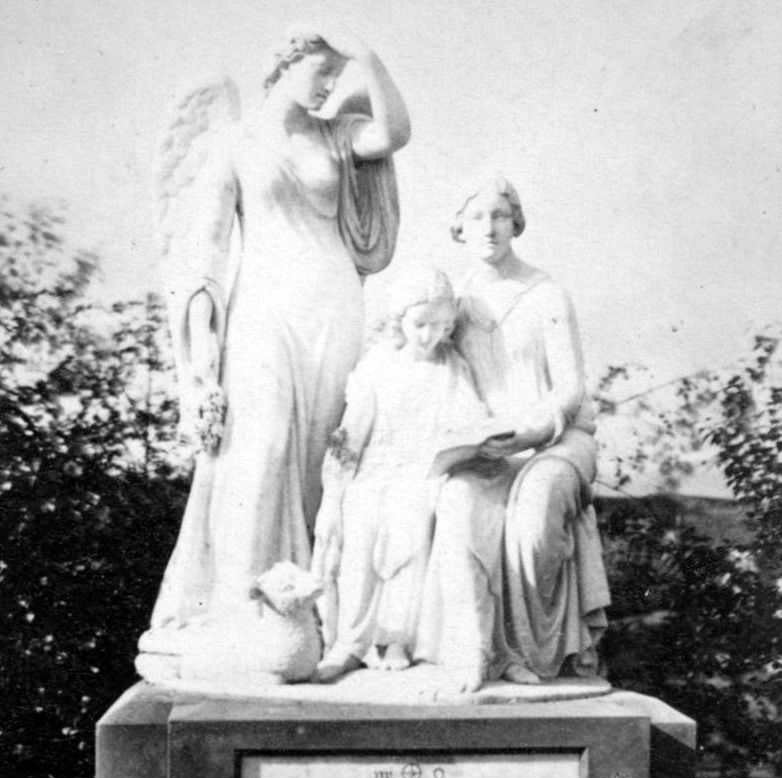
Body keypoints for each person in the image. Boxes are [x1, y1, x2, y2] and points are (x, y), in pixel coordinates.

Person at [139, 27, 409, 660]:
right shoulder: (233, 141)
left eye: (337, 74)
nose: (328, 84)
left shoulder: (338, 136)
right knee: (259, 448)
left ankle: (311, 621)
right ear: (284, 65)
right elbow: (203, 250)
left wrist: (366, 54)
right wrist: (201, 362)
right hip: (263, 310)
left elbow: (393, 131)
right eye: (320, 70)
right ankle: (240, 610)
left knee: (325, 457)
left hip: (334, 306)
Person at [417, 175, 610, 692]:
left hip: (555, 439)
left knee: (535, 512)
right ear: (459, 227)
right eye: (477, 217)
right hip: (489, 448)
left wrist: (533, 431)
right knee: (456, 506)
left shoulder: (546, 293)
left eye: (500, 215)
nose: (489, 227)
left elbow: (570, 388)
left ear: (516, 223)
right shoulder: (451, 299)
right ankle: (480, 651)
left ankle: (539, 654)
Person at [312, 268, 502, 682]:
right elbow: (349, 437)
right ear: (399, 319)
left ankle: (393, 638)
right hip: (372, 472)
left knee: (412, 527)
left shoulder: (453, 367)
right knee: (359, 535)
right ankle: (349, 641)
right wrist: (334, 493)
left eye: (439, 325)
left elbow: (471, 421)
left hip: (423, 475)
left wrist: (474, 439)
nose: (428, 336)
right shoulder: (379, 365)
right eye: (419, 324)